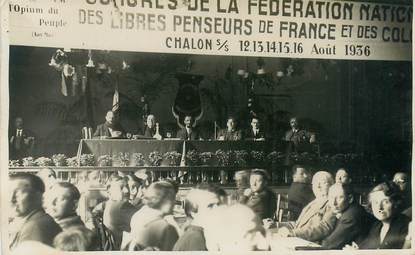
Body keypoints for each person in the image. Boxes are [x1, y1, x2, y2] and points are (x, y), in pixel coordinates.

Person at [278, 171, 336, 242]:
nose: (318, 186)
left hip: (310, 245)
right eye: (314, 183)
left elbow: (323, 228)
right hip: (297, 239)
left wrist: (294, 233)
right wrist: (277, 224)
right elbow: (298, 224)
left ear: (332, 185)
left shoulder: (332, 204)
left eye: (323, 183)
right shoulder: (312, 204)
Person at [351, 182, 411, 249]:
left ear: (396, 203)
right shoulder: (376, 226)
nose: (379, 207)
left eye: (385, 202)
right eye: (375, 202)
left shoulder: (406, 226)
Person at [9, 173, 62, 249]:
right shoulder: (37, 221)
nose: (11, 199)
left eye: (18, 193)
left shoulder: (35, 227)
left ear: (38, 196)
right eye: (9, 193)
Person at [128, 181, 179, 251]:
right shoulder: (166, 227)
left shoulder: (139, 214)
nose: (174, 202)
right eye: (172, 198)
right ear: (163, 200)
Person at [321, 183, 373, 249]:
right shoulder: (348, 209)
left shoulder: (351, 216)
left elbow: (329, 244)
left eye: (339, 197)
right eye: (331, 197)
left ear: (350, 198)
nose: (334, 203)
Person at [92, 175, 138, 250]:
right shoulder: (121, 207)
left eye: (127, 186)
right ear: (109, 191)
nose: (126, 190)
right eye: (121, 187)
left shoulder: (105, 205)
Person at [173, 184, 220, 251]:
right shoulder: (195, 237)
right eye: (210, 206)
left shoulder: (199, 232)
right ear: (193, 212)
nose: (217, 209)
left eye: (218, 204)